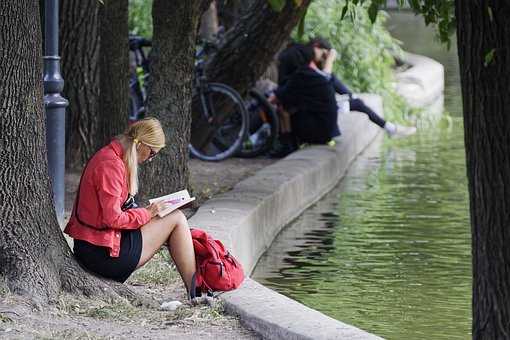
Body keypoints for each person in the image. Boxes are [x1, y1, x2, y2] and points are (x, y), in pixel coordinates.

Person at [64, 117, 200, 301]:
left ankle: (195, 290)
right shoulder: (110, 165)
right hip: (101, 254)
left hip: (100, 245)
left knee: (172, 217)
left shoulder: (112, 157)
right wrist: (147, 213)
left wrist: (146, 213)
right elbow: (111, 219)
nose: (150, 159)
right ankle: (196, 293)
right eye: (152, 153)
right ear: (141, 144)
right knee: (177, 219)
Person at [271, 37, 416, 155]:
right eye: (323, 54)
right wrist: (329, 62)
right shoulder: (304, 75)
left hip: (314, 114)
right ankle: (390, 128)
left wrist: (349, 98)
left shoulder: (314, 73)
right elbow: (321, 81)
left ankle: (390, 128)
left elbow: (333, 84)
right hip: (308, 117)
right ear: (315, 47)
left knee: (356, 102)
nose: (323, 59)